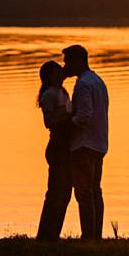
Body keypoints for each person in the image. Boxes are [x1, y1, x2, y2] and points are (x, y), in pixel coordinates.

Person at [62, 43, 109, 240]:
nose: (65, 66)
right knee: (95, 190)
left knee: (83, 193)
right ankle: (95, 235)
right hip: (99, 143)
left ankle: (89, 235)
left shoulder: (83, 84)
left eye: (67, 62)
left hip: (84, 145)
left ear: (77, 61)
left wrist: (66, 126)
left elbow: (84, 116)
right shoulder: (98, 81)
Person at [35, 60, 72, 240]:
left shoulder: (63, 92)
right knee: (55, 192)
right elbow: (48, 122)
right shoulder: (49, 94)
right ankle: (45, 235)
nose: (62, 71)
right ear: (50, 75)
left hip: (65, 145)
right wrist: (70, 114)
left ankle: (52, 234)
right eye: (58, 70)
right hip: (57, 145)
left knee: (64, 192)